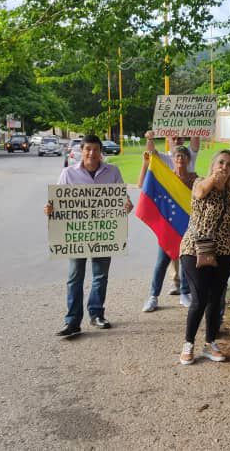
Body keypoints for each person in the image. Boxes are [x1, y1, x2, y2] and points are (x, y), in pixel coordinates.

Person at [45, 134, 133, 338]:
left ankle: (96, 314)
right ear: (81, 151)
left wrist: (127, 205)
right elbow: (57, 202)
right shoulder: (68, 174)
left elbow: (122, 199)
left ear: (100, 151)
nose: (91, 154)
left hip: (103, 232)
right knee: (75, 276)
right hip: (77, 234)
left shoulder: (113, 172)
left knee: (100, 276)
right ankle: (72, 321)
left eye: (95, 149)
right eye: (87, 149)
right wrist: (50, 209)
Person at [179, 150, 230, 364]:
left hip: (225, 251)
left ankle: (210, 343)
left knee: (216, 298)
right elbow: (199, 194)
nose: (224, 167)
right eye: (221, 163)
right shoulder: (200, 183)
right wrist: (215, 177)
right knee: (199, 298)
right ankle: (188, 344)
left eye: (229, 165)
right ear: (214, 164)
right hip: (195, 248)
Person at [139, 144, 197, 312]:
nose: (180, 159)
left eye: (183, 156)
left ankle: (185, 293)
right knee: (161, 263)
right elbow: (142, 185)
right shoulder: (165, 178)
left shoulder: (195, 179)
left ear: (188, 160)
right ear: (172, 160)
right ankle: (153, 296)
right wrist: (146, 162)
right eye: (177, 156)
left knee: (187, 262)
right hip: (168, 227)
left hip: (188, 228)